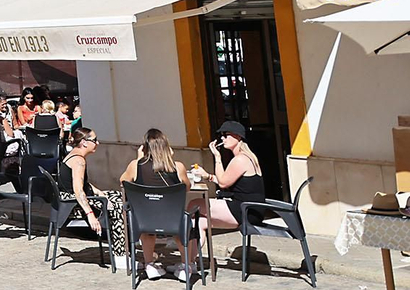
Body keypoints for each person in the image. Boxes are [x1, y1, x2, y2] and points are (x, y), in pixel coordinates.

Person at [120, 127, 194, 280]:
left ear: (145, 147)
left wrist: (139, 158)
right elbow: (186, 187)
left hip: (145, 219)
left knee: (148, 225)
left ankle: (149, 264)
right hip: (172, 219)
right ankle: (185, 265)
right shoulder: (177, 167)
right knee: (183, 221)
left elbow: (123, 182)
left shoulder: (135, 166)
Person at [191, 120, 267, 263]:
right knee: (199, 221)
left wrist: (217, 157)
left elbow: (224, 183)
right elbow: (226, 181)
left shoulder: (240, 159)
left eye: (226, 135)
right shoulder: (249, 156)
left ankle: (179, 236)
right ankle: (189, 263)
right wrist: (207, 176)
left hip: (245, 211)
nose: (222, 139)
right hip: (250, 209)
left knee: (194, 204)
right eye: (222, 135)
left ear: (237, 137)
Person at [61, 126, 129, 270]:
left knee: (119, 196)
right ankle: (120, 255)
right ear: (84, 142)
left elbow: (84, 184)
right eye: (94, 140)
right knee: (118, 207)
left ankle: (128, 243)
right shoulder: (79, 161)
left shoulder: (74, 155)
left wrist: (99, 192)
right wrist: (90, 215)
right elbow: (78, 190)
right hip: (74, 204)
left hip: (76, 198)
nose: (97, 143)